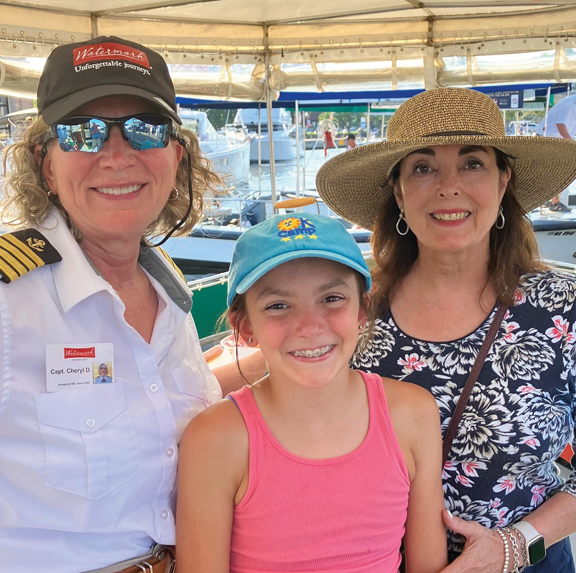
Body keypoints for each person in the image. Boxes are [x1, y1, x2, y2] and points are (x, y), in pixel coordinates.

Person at [0, 35, 262, 572]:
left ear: (176, 155)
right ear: (46, 164)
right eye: (83, 132)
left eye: (145, 130)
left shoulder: (166, 293)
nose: (117, 155)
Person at [317, 88, 576, 573]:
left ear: (503, 180)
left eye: (472, 164)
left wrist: (516, 544)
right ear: (399, 192)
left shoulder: (566, 308)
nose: (449, 186)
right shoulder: (353, 308)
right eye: (423, 168)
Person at [176, 212, 448, 573]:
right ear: (245, 327)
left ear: (361, 310)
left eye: (332, 298)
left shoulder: (413, 414)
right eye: (278, 306)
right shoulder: (215, 439)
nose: (309, 326)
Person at [537, 88, 576, 212]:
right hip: (548, 139)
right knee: (558, 171)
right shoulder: (572, 104)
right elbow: (560, 124)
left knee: (557, 171)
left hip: (554, 140)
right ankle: (554, 202)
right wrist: (571, 142)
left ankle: (552, 200)